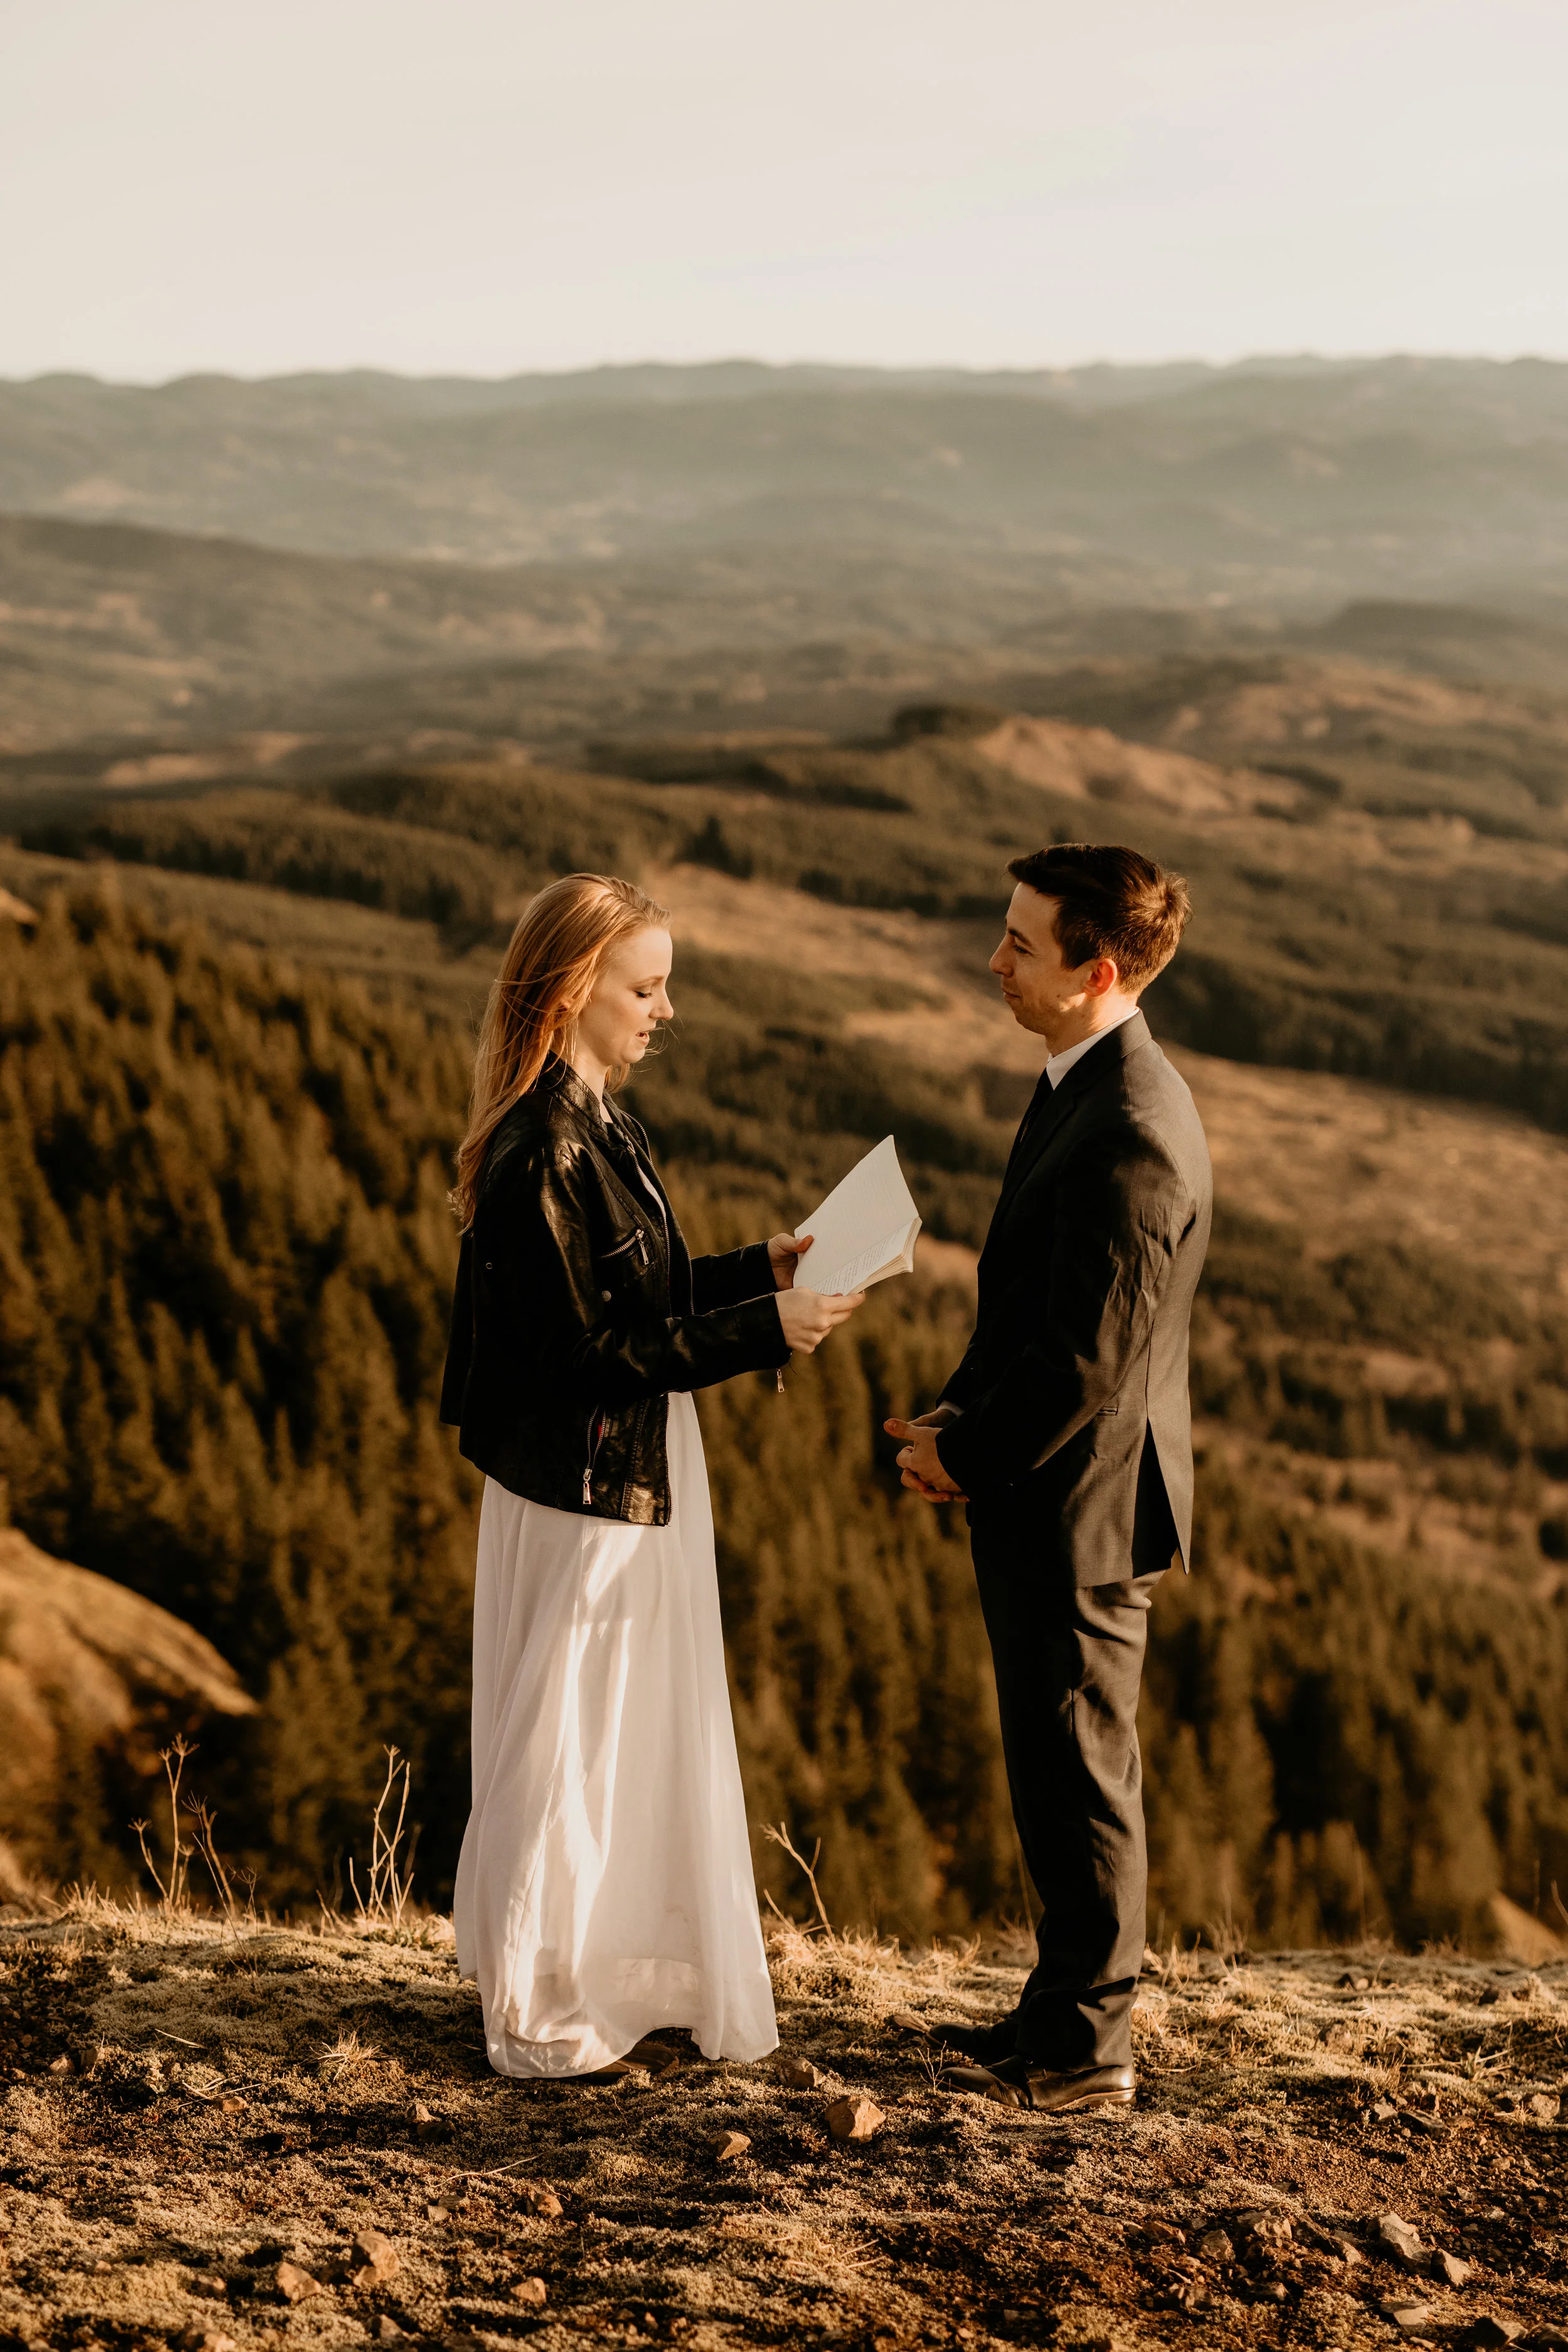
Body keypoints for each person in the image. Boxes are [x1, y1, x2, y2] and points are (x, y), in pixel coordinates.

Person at [440, 871, 861, 2079]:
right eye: (646, 986)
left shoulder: (598, 1115)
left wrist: (752, 1271)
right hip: (585, 1488)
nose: (665, 1010)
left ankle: (605, 1960)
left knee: (616, 1728)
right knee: (573, 1736)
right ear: (575, 990)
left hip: (630, 1468)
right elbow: (585, 1354)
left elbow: (635, 1291)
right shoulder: (539, 1151)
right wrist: (767, 1330)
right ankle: (540, 2000)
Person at [885, 842, 1211, 2116]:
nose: (994, 959)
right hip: (1048, 1486)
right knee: (1053, 1756)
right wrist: (962, 1409)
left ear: (1101, 967)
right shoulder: (1087, 1078)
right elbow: (1039, 1310)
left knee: (1078, 1769)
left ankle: (1086, 2055)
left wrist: (961, 1457)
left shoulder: (1130, 1127)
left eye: (1020, 942)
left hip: (1076, 1509)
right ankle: (1053, 2014)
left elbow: (1086, 1358)